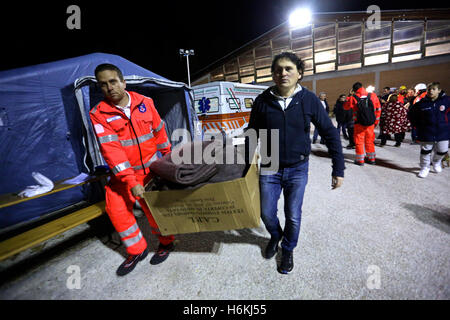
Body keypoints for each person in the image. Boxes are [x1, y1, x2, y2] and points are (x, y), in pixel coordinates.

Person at [247, 52, 345, 274]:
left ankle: (288, 249)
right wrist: (240, 164)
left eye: (289, 68)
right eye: (278, 69)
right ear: (273, 74)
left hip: (298, 167)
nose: (283, 73)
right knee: (266, 213)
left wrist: (338, 169)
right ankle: (275, 235)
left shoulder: (309, 99)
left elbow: (330, 133)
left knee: (293, 214)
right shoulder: (262, 101)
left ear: (299, 73)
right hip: (270, 163)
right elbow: (251, 134)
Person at [89, 64, 176, 276]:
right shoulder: (98, 114)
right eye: (103, 84)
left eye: (113, 81)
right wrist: (131, 182)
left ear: (123, 82)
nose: (109, 88)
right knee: (117, 210)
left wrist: (168, 160)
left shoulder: (145, 103)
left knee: (153, 210)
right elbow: (112, 152)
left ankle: (166, 243)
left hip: (150, 171)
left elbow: (159, 132)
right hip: (123, 175)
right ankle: (137, 250)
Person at [408, 82, 450, 178]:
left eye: (433, 89)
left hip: (443, 131)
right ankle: (424, 167)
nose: (431, 91)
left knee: (442, 150)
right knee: (425, 151)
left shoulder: (447, 101)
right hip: (427, 132)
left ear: (439, 90)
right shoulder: (421, 103)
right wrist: (417, 126)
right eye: (429, 89)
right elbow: (411, 115)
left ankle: (436, 161)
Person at [343, 82, 381, 165]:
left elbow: (345, 107)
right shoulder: (373, 96)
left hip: (359, 122)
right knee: (369, 141)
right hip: (370, 123)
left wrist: (349, 96)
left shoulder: (353, 97)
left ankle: (360, 160)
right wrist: (375, 122)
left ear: (354, 90)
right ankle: (371, 159)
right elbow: (378, 109)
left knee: (359, 140)